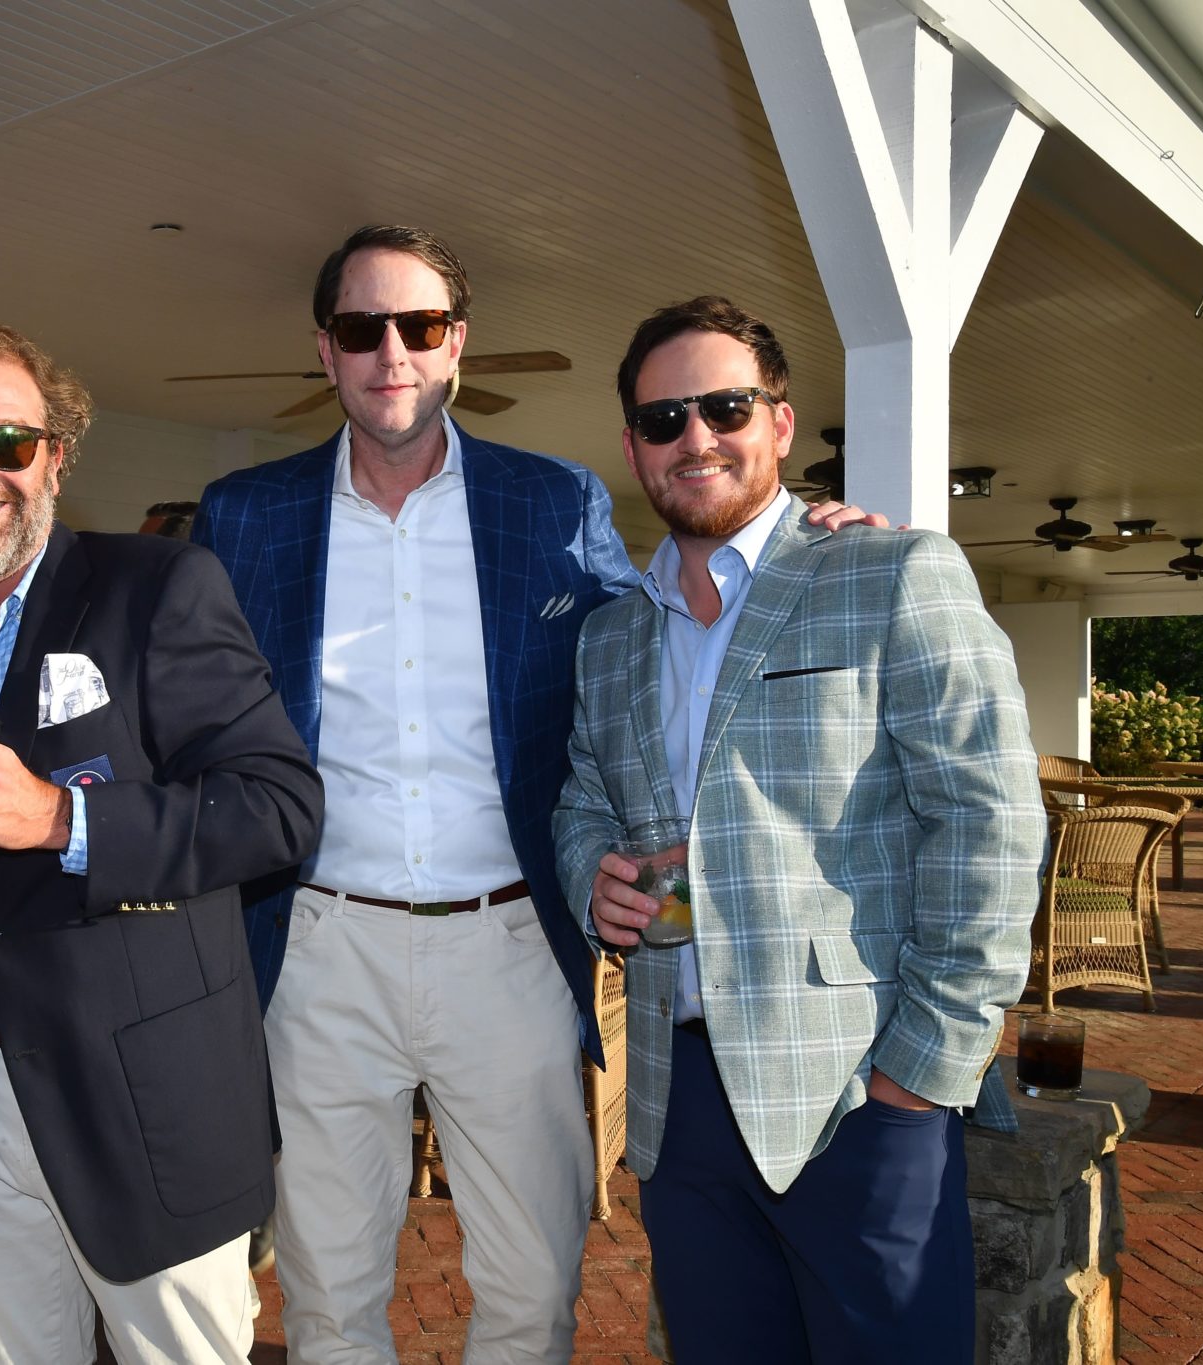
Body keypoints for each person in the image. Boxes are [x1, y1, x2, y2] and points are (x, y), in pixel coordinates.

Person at [192, 225, 879, 1362]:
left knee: (530, 1292)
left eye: (420, 325)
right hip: (318, 948)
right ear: (325, 351)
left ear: (457, 343)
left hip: (509, 946)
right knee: (325, 1304)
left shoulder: (551, 500)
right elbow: (175, 689)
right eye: (362, 329)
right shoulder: (245, 514)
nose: (392, 353)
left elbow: (659, 627)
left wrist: (803, 539)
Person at [552, 296, 1045, 1362]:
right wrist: (591, 870)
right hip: (680, 1106)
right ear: (633, 449)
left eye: (724, 407)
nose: (694, 437)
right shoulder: (610, 636)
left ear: (778, 422)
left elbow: (989, 823)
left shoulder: (888, 572)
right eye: (662, 419)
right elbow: (584, 797)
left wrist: (921, 1071)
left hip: (857, 1098)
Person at [0, 322, 322, 1364]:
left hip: (146, 1109)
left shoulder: (158, 587)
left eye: (7, 441)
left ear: (56, 456)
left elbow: (277, 805)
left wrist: (63, 820)